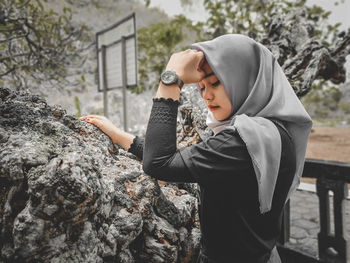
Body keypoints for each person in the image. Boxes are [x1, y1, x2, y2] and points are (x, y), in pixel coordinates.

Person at [80, 34, 312, 263]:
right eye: (201, 87)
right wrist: (119, 135)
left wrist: (170, 80)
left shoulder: (241, 143)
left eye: (215, 82)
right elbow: (180, 158)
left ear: (246, 78)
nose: (207, 96)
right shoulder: (272, 133)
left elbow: (159, 163)